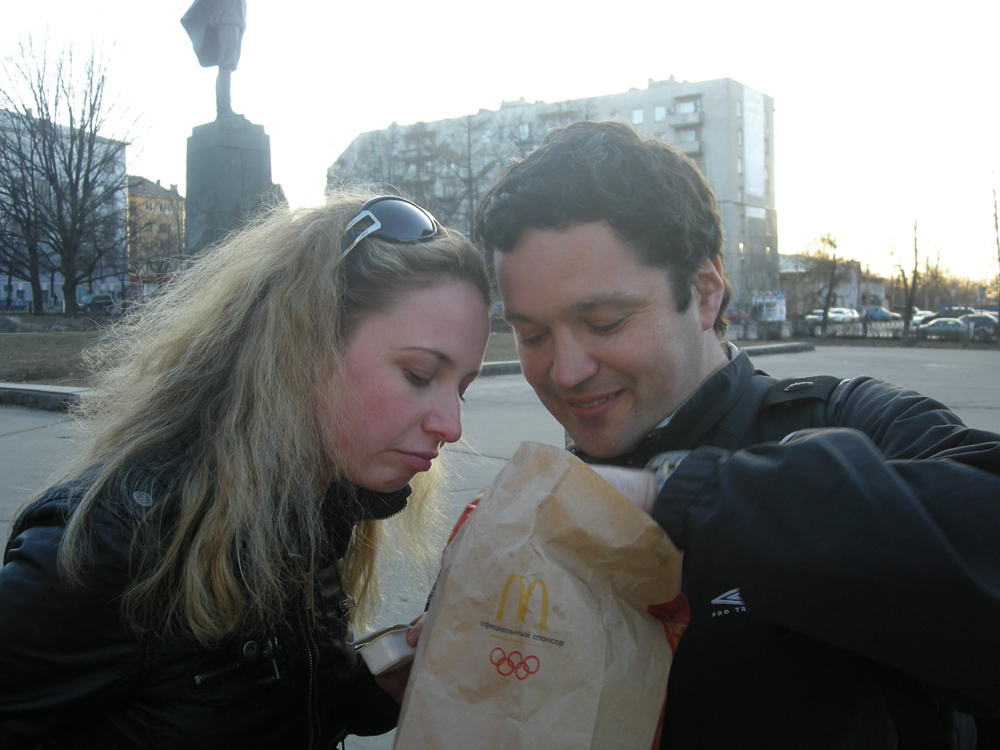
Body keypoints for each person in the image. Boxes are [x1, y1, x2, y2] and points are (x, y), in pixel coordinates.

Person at [474, 120, 1000, 748]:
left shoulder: (852, 423)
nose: (565, 372)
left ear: (704, 293)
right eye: (531, 335)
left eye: (605, 322)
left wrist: (692, 499)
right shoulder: (544, 498)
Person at [0, 191, 491, 749]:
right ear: (303, 346)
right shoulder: (119, 545)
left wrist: (381, 684)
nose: (452, 426)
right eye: (420, 374)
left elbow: (268, 707)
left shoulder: (315, 506)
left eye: (462, 388)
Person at [181, 0, 248, 117]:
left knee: (228, 66)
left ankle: (224, 109)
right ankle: (224, 108)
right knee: (226, 66)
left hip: (237, 18)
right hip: (227, 16)